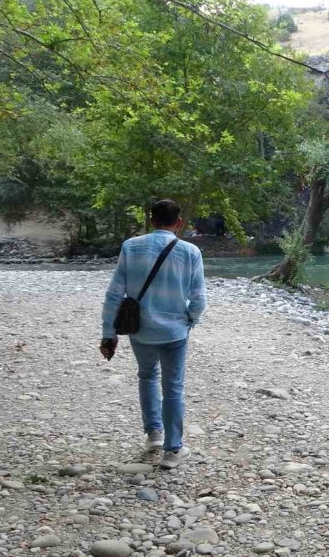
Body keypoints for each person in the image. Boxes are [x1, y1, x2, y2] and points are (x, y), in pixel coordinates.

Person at [100, 199, 206, 469]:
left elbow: (115, 293)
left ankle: (154, 435)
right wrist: (190, 320)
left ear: (151, 220)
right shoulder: (190, 251)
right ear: (179, 223)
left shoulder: (130, 246)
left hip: (140, 330)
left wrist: (108, 332)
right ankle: (173, 450)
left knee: (147, 376)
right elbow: (198, 298)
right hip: (175, 331)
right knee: (173, 387)